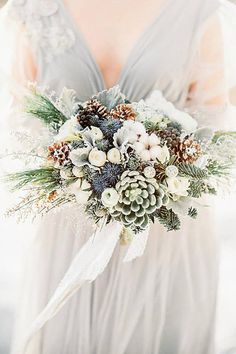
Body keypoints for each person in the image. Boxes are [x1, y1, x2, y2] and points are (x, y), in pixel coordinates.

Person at [1, 0, 236, 353]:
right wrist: (79, 165)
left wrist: (149, 162)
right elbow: (22, 119)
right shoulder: (34, 10)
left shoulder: (196, 10)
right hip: (70, 233)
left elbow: (212, 126)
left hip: (166, 240)